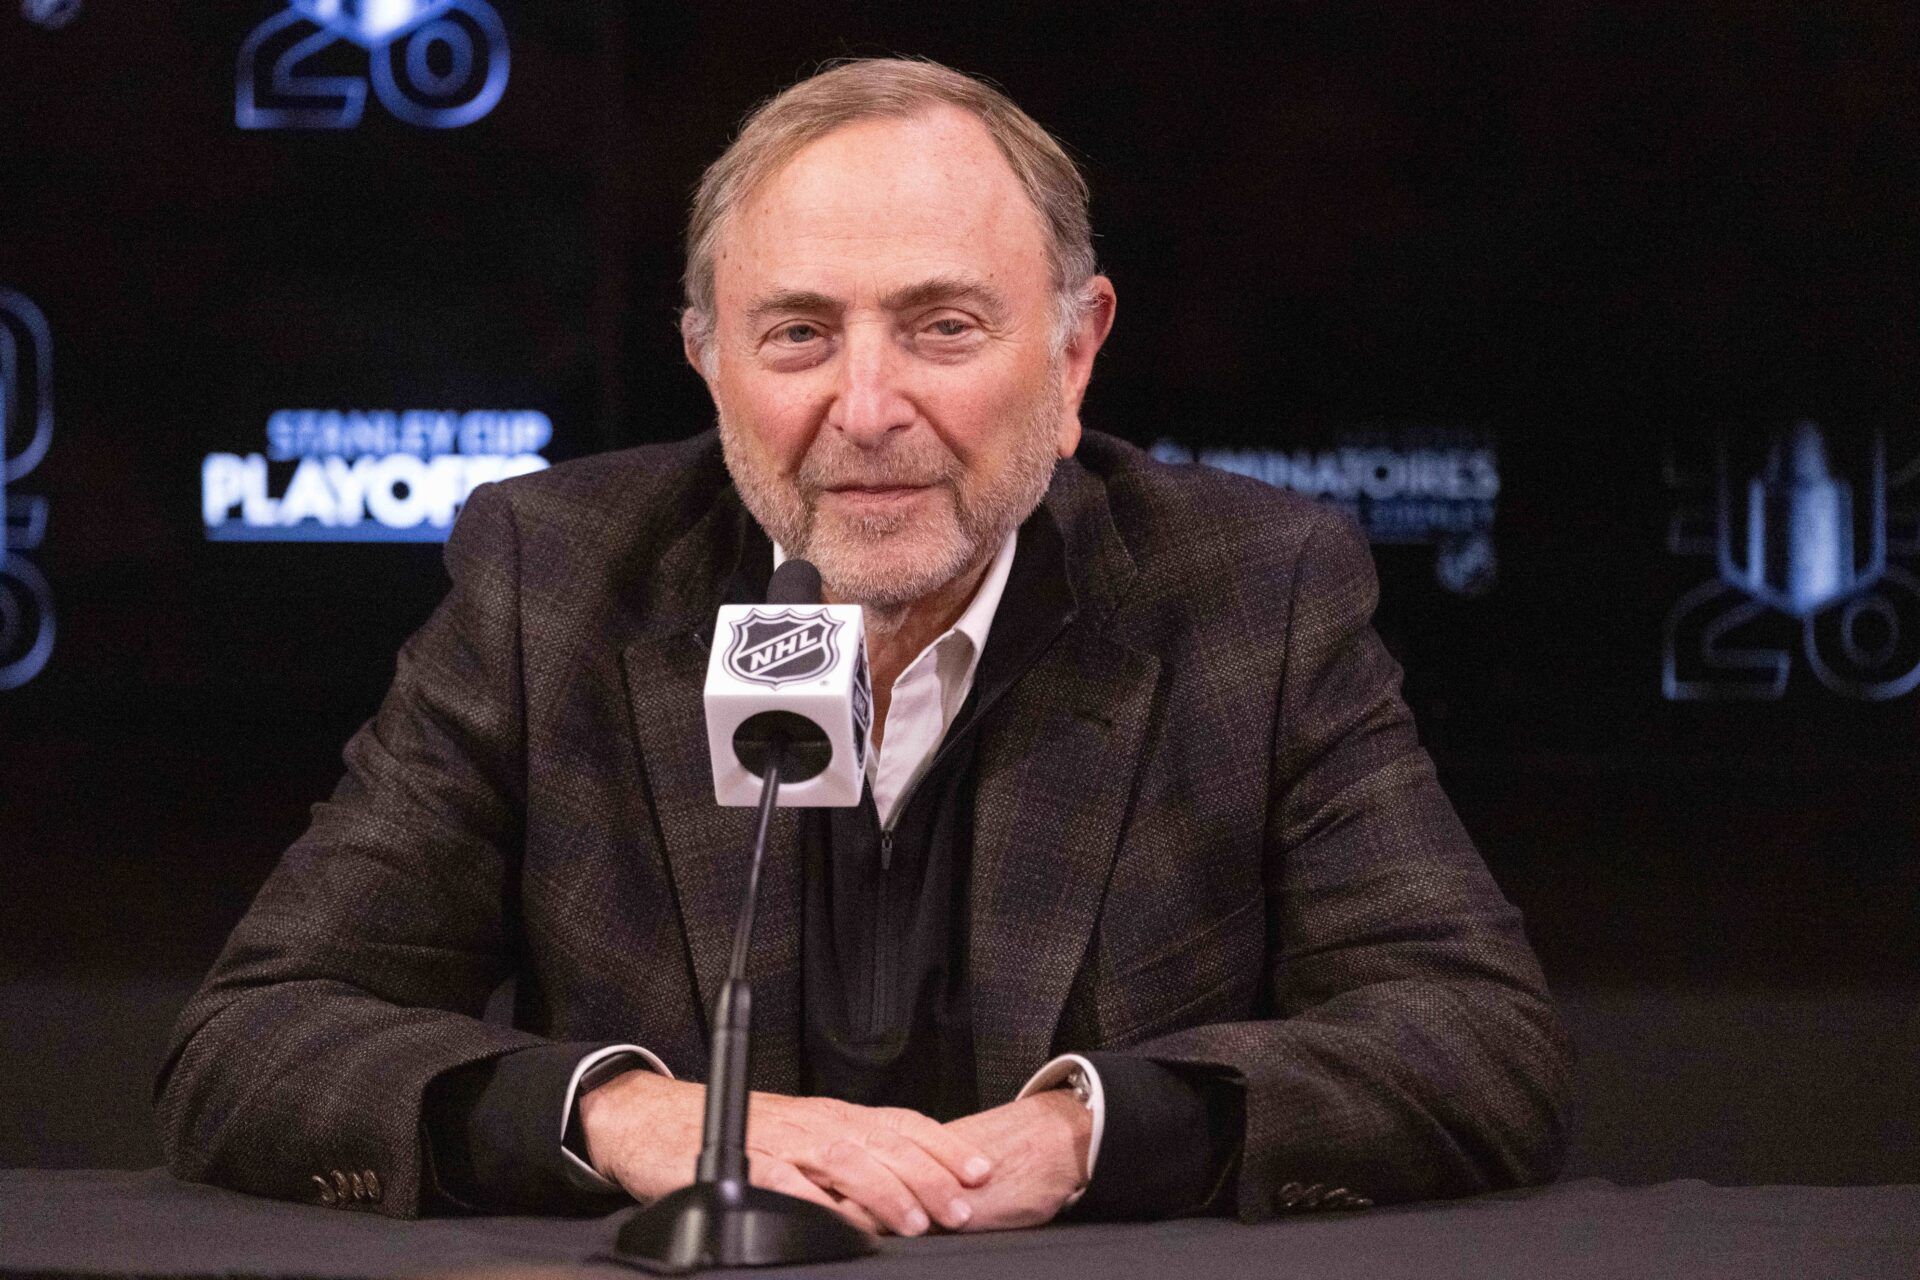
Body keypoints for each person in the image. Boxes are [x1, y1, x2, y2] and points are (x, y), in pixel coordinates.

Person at [156, 57, 1571, 1234]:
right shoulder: (556, 578)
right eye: (797, 336)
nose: (867, 405)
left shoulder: (1251, 591)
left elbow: (1477, 1042)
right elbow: (256, 1040)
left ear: (1074, 359)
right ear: (709, 361)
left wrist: (1090, 1134)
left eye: (943, 327)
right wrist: (632, 1112)